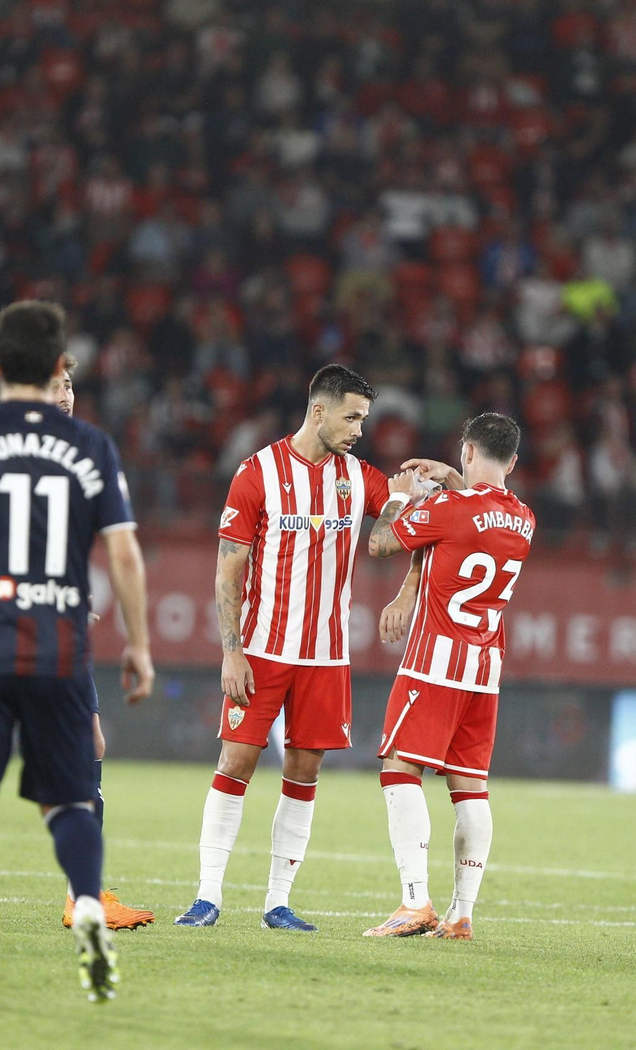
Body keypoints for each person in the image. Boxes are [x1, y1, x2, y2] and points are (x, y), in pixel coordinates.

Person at [0, 301, 154, 1004]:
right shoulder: (92, 449)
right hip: (59, 648)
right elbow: (125, 554)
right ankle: (84, 905)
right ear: (55, 368)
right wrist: (137, 644)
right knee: (72, 797)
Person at [173, 364, 389, 932]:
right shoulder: (257, 473)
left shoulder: (360, 478)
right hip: (264, 649)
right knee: (236, 759)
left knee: (304, 769)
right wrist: (232, 650)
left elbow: (402, 525)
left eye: (363, 419)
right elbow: (228, 571)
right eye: (352, 417)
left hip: (327, 654)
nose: (359, 429)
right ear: (318, 410)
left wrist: (436, 481)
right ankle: (207, 896)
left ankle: (277, 901)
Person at [362, 413, 535, 940]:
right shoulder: (525, 519)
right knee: (470, 788)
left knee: (399, 768)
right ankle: (462, 914)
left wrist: (397, 495)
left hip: (435, 661)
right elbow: (473, 517)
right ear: (513, 461)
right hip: (485, 670)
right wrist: (455, 482)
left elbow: (381, 542)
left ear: (466, 451)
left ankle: (415, 902)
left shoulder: (446, 508)